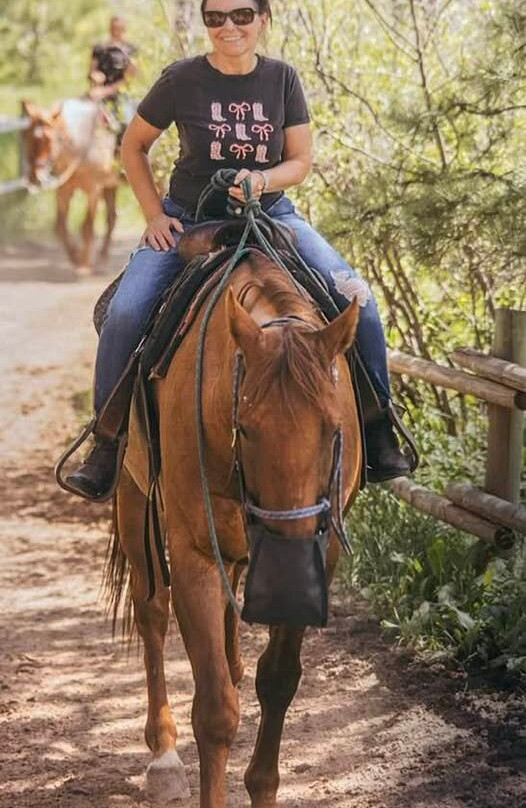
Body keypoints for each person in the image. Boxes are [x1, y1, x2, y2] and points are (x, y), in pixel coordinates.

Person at [66, 0, 412, 499]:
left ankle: (379, 430)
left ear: (264, 20)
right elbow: (133, 147)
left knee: (362, 302)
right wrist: (154, 216)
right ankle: (105, 444)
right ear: (206, 23)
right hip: (188, 219)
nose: (229, 26)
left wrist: (262, 179)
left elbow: (300, 160)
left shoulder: (282, 79)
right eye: (215, 17)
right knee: (124, 313)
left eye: (242, 15)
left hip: (272, 216)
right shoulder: (180, 79)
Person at [88, 16, 138, 138]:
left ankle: (121, 152)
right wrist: (96, 77)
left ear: (124, 29)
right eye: (113, 27)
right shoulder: (99, 48)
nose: (116, 30)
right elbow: (91, 71)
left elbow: (130, 77)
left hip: (121, 95)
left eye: (119, 28)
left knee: (125, 123)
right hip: (98, 93)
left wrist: (109, 90)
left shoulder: (130, 50)